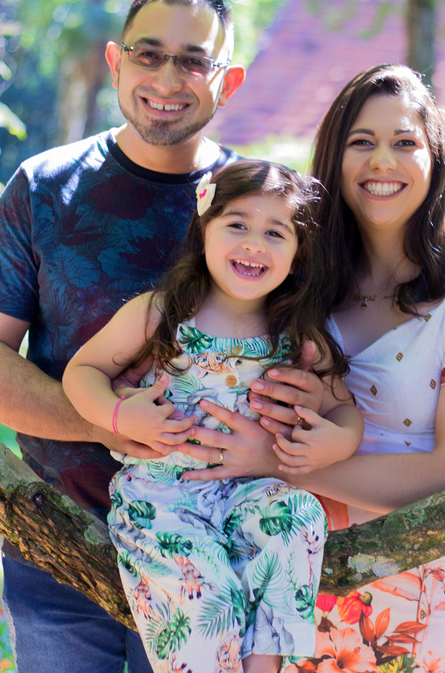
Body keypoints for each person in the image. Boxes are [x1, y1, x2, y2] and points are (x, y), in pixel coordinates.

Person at [180, 65, 445, 673]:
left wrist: (278, 462)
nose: (382, 162)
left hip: (420, 587)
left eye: (405, 143)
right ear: (334, 157)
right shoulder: (297, 273)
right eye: (361, 142)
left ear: (437, 158)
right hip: (293, 571)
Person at [0, 0, 264, 673]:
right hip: (58, 540)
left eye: (192, 61)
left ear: (228, 81)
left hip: (213, 554)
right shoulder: (44, 186)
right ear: (116, 61)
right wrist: (112, 422)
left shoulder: (263, 211)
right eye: (148, 55)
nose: (165, 78)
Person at [64, 160, 362, 673]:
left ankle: (265, 664)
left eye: (275, 232)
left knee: (300, 517)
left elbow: (344, 411)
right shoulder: (162, 312)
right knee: (209, 590)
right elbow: (82, 371)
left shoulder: (297, 336)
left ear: (298, 253)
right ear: (205, 229)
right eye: (238, 224)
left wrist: (331, 445)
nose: (254, 243)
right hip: (163, 493)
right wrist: (119, 415)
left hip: (247, 491)